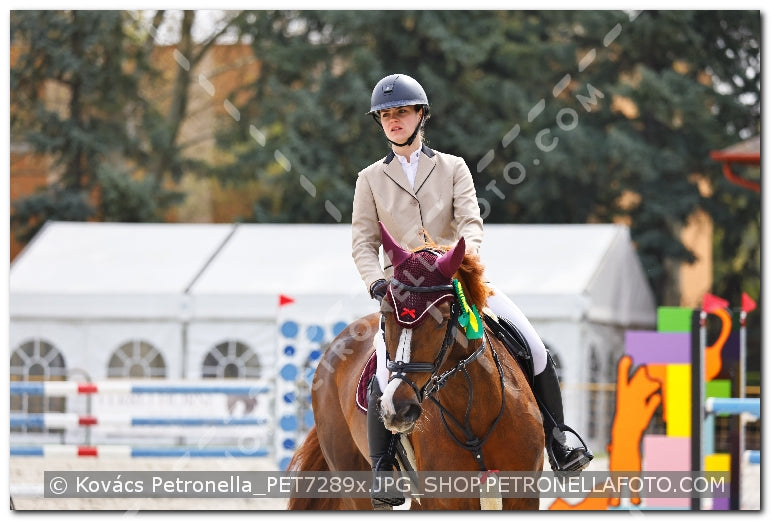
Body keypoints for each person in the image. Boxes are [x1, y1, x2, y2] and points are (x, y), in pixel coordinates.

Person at [351, 73, 593, 509]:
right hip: (405, 292)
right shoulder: (369, 179)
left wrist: (462, 265)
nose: (393, 121)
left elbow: (471, 225)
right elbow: (363, 241)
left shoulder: (453, 167)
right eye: (386, 116)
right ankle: (383, 468)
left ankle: (559, 439)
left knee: (534, 347)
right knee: (384, 370)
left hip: (455, 281)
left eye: (401, 112)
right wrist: (377, 282)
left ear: (421, 115)